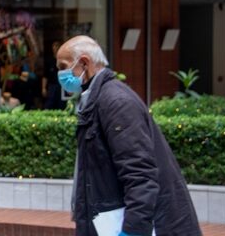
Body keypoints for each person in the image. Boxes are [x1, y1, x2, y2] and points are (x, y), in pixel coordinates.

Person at [56, 35, 201, 236]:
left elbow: (140, 175)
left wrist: (132, 231)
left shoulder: (115, 102)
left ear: (84, 63)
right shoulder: (97, 99)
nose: (61, 74)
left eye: (63, 66)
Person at [42, 40, 66, 110]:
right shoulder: (49, 61)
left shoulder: (63, 60)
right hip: (52, 85)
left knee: (61, 103)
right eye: (54, 46)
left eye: (57, 46)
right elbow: (45, 75)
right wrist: (43, 88)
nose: (55, 48)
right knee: (50, 103)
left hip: (61, 85)